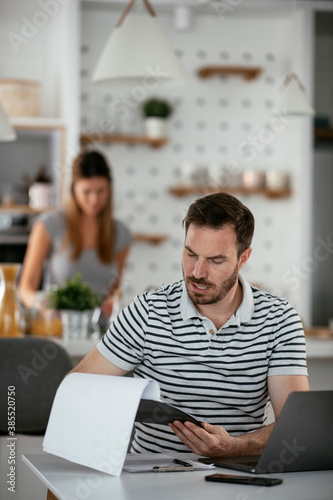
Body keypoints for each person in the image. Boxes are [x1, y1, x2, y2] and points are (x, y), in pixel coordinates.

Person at [71, 192, 309, 457]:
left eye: (216, 261)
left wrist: (234, 447)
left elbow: (296, 427)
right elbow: (76, 387)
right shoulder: (147, 311)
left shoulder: (279, 319)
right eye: (190, 254)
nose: (197, 272)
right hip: (149, 481)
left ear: (243, 259)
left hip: (234, 481)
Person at [18, 150, 132, 318]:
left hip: (100, 331)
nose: (94, 200)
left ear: (109, 189)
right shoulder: (48, 225)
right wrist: (39, 304)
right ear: (73, 190)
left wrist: (113, 302)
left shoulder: (121, 233)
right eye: (86, 192)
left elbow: (114, 289)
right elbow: (25, 288)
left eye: (101, 191)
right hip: (56, 327)